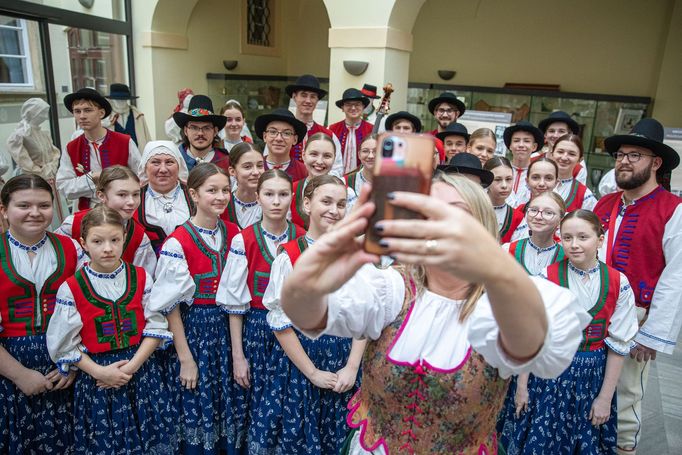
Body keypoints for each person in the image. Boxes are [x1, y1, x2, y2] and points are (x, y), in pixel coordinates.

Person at [278, 173, 588, 454]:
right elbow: (308, 314)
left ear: (482, 228)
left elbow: (532, 345)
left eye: (453, 213)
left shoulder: (500, 303)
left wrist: (496, 269)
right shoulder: (392, 289)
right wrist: (307, 278)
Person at [498, 210, 638, 454]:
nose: (574, 245)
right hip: (547, 376)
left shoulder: (618, 283)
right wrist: (522, 387)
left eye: (583, 237)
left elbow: (618, 346)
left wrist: (604, 398)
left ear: (600, 240)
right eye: (567, 238)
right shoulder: (547, 278)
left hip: (591, 377)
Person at [47, 205, 174, 454]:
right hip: (97, 379)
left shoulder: (141, 277)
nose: (107, 248)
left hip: (140, 371)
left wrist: (132, 367)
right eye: (98, 241)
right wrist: (100, 373)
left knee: (149, 437)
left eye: (115, 240)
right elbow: (64, 343)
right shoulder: (71, 288)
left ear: (124, 238)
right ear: (83, 243)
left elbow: (156, 325)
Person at [592, 118, 682, 455]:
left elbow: (677, 277)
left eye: (635, 155)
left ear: (656, 163)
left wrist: (653, 333)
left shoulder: (673, 211)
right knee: (589, 390)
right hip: (594, 313)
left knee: (627, 397)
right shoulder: (604, 205)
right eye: (620, 154)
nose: (624, 161)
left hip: (637, 320)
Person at [259, 175, 365, 454]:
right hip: (302, 365)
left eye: (341, 204)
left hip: (345, 361)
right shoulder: (290, 257)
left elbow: (365, 316)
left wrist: (353, 367)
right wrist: (313, 372)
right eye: (326, 201)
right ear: (307, 203)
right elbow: (280, 322)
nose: (334, 210)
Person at [150, 163, 241, 454]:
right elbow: (171, 305)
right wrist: (185, 357)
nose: (220, 196)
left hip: (232, 327)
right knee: (199, 399)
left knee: (231, 397)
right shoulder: (178, 241)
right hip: (196, 332)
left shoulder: (234, 232)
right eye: (211, 190)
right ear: (194, 194)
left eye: (225, 190)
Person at [216, 169, 305, 451]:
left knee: (290, 404)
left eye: (282, 194)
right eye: (269, 194)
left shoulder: (302, 238)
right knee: (257, 404)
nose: (276, 201)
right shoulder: (244, 240)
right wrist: (238, 355)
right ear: (258, 198)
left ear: (292, 197)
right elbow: (234, 304)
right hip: (257, 334)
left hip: (296, 334)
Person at [0, 174, 84, 455]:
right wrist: (20, 375)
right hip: (8, 365)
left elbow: (89, 309)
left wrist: (73, 363)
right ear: (4, 210)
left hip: (64, 363)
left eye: (44, 205)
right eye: (24, 205)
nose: (35, 213)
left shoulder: (71, 248)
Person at [56, 165, 156, 275]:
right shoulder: (73, 224)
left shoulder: (139, 237)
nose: (131, 201)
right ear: (101, 196)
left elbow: (142, 278)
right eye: (122, 194)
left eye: (136, 194)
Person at [56, 88, 140, 211]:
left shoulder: (124, 142)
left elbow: (140, 177)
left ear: (101, 113)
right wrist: (92, 178)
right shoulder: (71, 148)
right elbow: (64, 187)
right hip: (86, 212)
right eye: (77, 111)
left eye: (88, 110)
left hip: (122, 211)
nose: (82, 116)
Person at [6, 98, 66, 226]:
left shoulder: (44, 134)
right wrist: (37, 170)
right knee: (35, 209)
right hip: (31, 177)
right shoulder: (21, 135)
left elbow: (54, 153)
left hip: (50, 177)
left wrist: (51, 167)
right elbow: (20, 156)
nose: (45, 116)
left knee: (54, 210)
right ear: (33, 113)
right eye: (42, 112)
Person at [134, 140, 192, 254]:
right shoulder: (134, 197)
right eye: (155, 162)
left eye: (169, 162)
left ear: (179, 166)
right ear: (145, 167)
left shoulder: (194, 194)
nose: (163, 169)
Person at [290, 133, 357, 229]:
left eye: (327, 156)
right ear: (303, 155)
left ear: (334, 158)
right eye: (314, 154)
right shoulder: (291, 190)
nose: (320, 161)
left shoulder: (347, 193)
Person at [285, 74, 344, 176]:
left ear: (317, 100)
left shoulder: (328, 135)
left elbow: (337, 168)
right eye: (303, 95)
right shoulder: (282, 132)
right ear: (294, 97)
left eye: (313, 96)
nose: (308, 101)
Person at [503, 192, 566, 276]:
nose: (538, 217)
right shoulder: (508, 250)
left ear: (560, 222)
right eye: (533, 210)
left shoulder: (567, 259)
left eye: (548, 212)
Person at [173, 94, 231, 172]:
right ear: (186, 131)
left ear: (215, 131)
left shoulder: (226, 162)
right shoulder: (174, 160)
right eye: (194, 127)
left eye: (206, 128)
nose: (200, 133)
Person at [510, 157, 560, 241]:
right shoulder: (518, 212)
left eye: (548, 178)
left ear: (556, 183)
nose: (541, 183)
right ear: (527, 181)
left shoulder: (563, 217)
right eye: (535, 177)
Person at [254, 108, 309, 182]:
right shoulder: (254, 169)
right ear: (265, 136)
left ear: (295, 139)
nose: (279, 138)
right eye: (273, 132)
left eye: (286, 133)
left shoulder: (304, 171)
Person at [328, 88, 374, 174]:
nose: (353, 108)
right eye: (348, 104)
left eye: (357, 104)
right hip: (336, 178)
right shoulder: (332, 129)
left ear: (363, 107)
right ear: (342, 107)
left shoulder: (372, 130)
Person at [537, 110, 587, 184]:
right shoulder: (533, 160)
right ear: (545, 134)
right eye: (551, 131)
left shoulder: (578, 167)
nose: (555, 135)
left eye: (561, 131)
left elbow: (577, 193)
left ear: (569, 134)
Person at [223, 142, 264, 229]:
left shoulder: (271, 203)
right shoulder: (222, 203)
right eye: (247, 167)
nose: (256, 172)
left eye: (260, 166)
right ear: (232, 171)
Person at [551, 134, 597, 211]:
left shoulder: (585, 195)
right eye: (560, 152)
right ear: (552, 154)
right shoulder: (534, 184)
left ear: (580, 160)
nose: (564, 157)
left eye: (571, 154)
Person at [504, 121, 544, 208]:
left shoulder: (540, 175)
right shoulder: (501, 170)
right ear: (510, 145)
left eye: (526, 141)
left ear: (534, 146)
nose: (521, 145)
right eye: (516, 140)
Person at [485, 156, 524, 243]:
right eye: (498, 179)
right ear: (486, 180)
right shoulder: (472, 210)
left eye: (508, 179)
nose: (504, 185)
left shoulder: (518, 217)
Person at [105, 83, 151, 151]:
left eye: (123, 99)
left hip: (137, 157)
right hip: (115, 157)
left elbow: (147, 138)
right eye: (117, 99)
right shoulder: (105, 119)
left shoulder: (138, 116)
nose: (120, 102)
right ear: (112, 100)